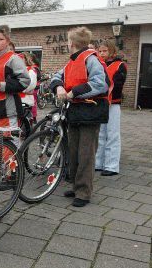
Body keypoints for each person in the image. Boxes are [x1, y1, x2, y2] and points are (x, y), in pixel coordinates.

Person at [50, 26, 111, 207]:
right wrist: (59, 87)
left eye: (68, 41)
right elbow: (57, 76)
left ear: (72, 43)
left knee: (86, 154)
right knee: (74, 151)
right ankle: (77, 186)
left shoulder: (91, 60)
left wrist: (73, 93)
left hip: (90, 112)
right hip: (75, 112)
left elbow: (101, 83)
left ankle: (84, 192)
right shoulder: (72, 62)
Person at [0, 25, 30, 149]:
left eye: (0, 39)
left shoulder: (13, 59)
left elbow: (24, 81)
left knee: (9, 148)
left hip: (7, 111)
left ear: (7, 41)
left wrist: (2, 86)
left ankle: (14, 169)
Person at [95, 40, 127, 176]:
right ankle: (98, 163)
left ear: (112, 51)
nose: (102, 53)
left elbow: (118, 84)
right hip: (100, 103)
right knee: (100, 134)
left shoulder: (120, 65)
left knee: (112, 134)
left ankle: (111, 166)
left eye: (105, 51)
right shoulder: (97, 65)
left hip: (113, 103)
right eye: (100, 51)